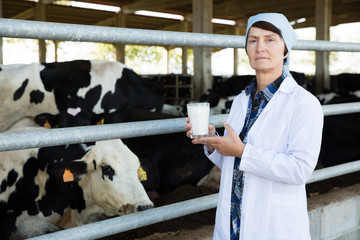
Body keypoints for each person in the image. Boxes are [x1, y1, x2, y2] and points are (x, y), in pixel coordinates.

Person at [185, 13, 324, 240]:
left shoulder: (303, 103)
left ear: (286, 50)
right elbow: (235, 163)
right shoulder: (241, 100)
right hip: (233, 225)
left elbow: (299, 170)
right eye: (253, 40)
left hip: (274, 227)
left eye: (270, 40)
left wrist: (242, 151)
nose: (260, 47)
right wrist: (213, 141)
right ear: (246, 50)